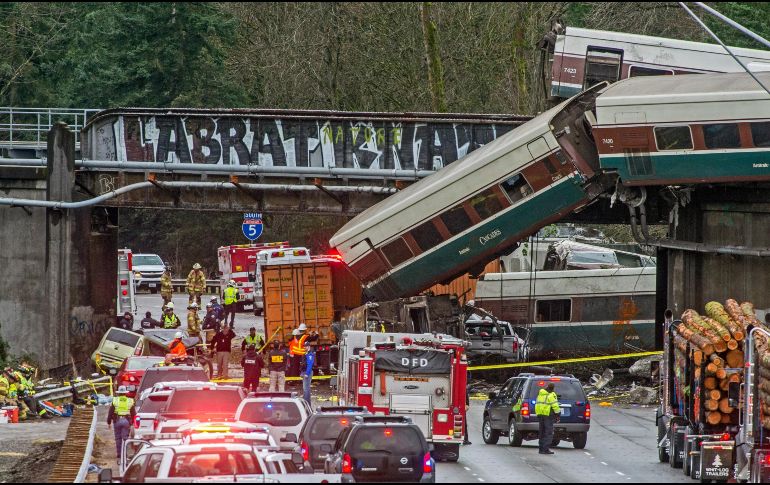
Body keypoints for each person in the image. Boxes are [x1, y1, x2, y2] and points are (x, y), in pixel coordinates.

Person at [107, 386, 136, 464]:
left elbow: (111, 412)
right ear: (125, 393)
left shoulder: (115, 400)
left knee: (118, 438)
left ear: (119, 393)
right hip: (126, 421)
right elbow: (133, 413)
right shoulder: (130, 401)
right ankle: (124, 454)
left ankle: (119, 455)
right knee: (125, 438)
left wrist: (109, 422)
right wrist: (133, 423)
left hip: (117, 420)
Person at [535, 382, 561, 455]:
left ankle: (541, 449)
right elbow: (555, 406)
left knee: (542, 432)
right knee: (548, 432)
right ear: (552, 388)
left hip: (541, 415)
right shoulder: (551, 395)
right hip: (548, 415)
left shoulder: (540, 394)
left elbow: (537, 405)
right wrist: (558, 414)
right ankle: (545, 449)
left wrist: (538, 413)